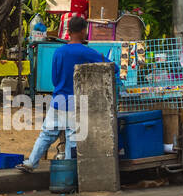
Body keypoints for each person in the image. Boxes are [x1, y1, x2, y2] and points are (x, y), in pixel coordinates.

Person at [17, 16, 119, 172]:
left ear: (69, 31)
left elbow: (54, 78)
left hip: (58, 99)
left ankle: (31, 162)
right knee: (73, 138)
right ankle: (69, 170)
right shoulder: (87, 52)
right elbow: (114, 67)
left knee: (46, 134)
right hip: (76, 101)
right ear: (84, 31)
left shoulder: (59, 52)